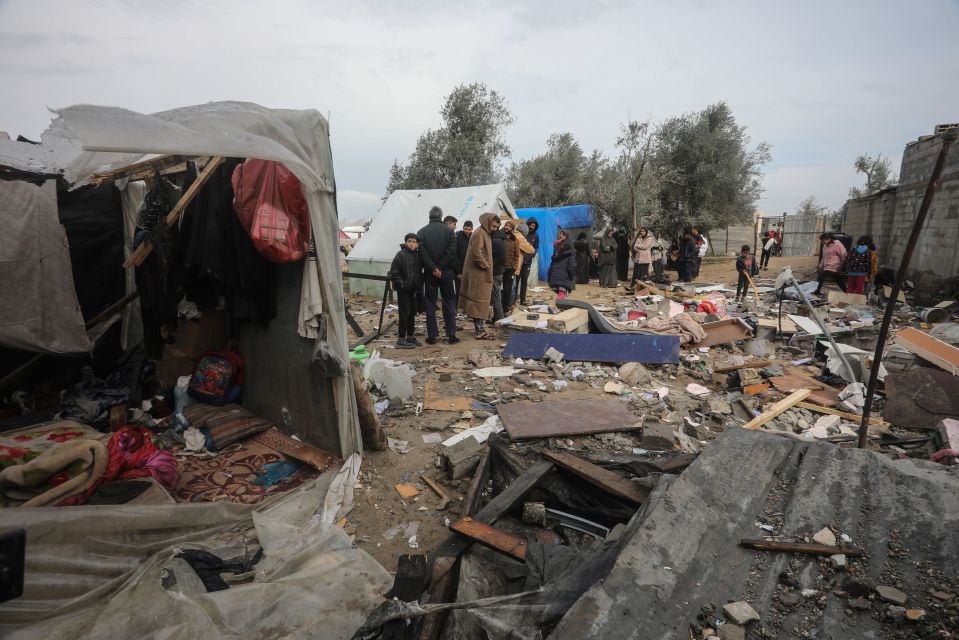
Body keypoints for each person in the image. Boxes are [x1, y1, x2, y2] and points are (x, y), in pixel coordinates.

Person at [417, 206, 459, 344]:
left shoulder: (421, 232)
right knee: (449, 302)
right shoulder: (449, 232)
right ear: (441, 216)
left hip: (430, 273)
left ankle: (432, 336)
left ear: (429, 216)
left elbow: (422, 254)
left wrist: (433, 268)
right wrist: (440, 267)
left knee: (430, 303)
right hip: (446, 272)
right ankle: (451, 334)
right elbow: (451, 252)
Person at [458, 212, 499, 337]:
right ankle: (479, 330)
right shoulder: (479, 233)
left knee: (481, 302)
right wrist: (486, 266)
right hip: (479, 274)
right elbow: (476, 253)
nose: (495, 229)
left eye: (496, 227)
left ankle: (480, 329)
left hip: (481, 273)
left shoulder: (484, 233)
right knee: (480, 302)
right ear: (487, 223)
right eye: (493, 226)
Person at [387, 233, 424, 349]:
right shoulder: (400, 255)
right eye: (409, 241)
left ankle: (411, 336)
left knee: (412, 313)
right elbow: (394, 272)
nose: (411, 244)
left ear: (417, 244)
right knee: (404, 314)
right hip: (404, 291)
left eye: (414, 242)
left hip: (414, 290)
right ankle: (401, 338)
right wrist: (402, 284)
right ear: (405, 242)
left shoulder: (418, 255)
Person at [501, 220, 534, 314]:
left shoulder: (506, 234)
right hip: (512, 266)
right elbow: (531, 249)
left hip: (503, 266)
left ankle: (504, 307)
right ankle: (508, 307)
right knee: (511, 288)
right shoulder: (519, 237)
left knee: (504, 288)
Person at [516, 218, 539, 306]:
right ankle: (513, 299)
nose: (532, 227)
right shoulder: (522, 233)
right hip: (519, 262)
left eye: (534, 226)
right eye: (531, 225)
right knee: (516, 281)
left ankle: (522, 299)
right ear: (528, 224)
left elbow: (536, 247)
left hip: (528, 262)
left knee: (524, 281)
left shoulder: (536, 236)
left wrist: (532, 255)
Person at [489, 219, 507, 321]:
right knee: (496, 295)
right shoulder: (500, 239)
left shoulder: (494, 241)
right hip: (499, 271)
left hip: (495, 272)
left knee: (495, 296)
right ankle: (497, 317)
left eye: (494, 227)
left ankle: (499, 318)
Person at [454, 220, 474, 296]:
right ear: (463, 228)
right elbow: (455, 255)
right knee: (459, 290)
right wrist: (458, 272)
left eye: (469, 229)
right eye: (465, 229)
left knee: (468, 290)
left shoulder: (473, 237)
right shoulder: (458, 237)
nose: (467, 231)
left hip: (470, 269)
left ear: (472, 229)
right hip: (460, 270)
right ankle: (458, 306)